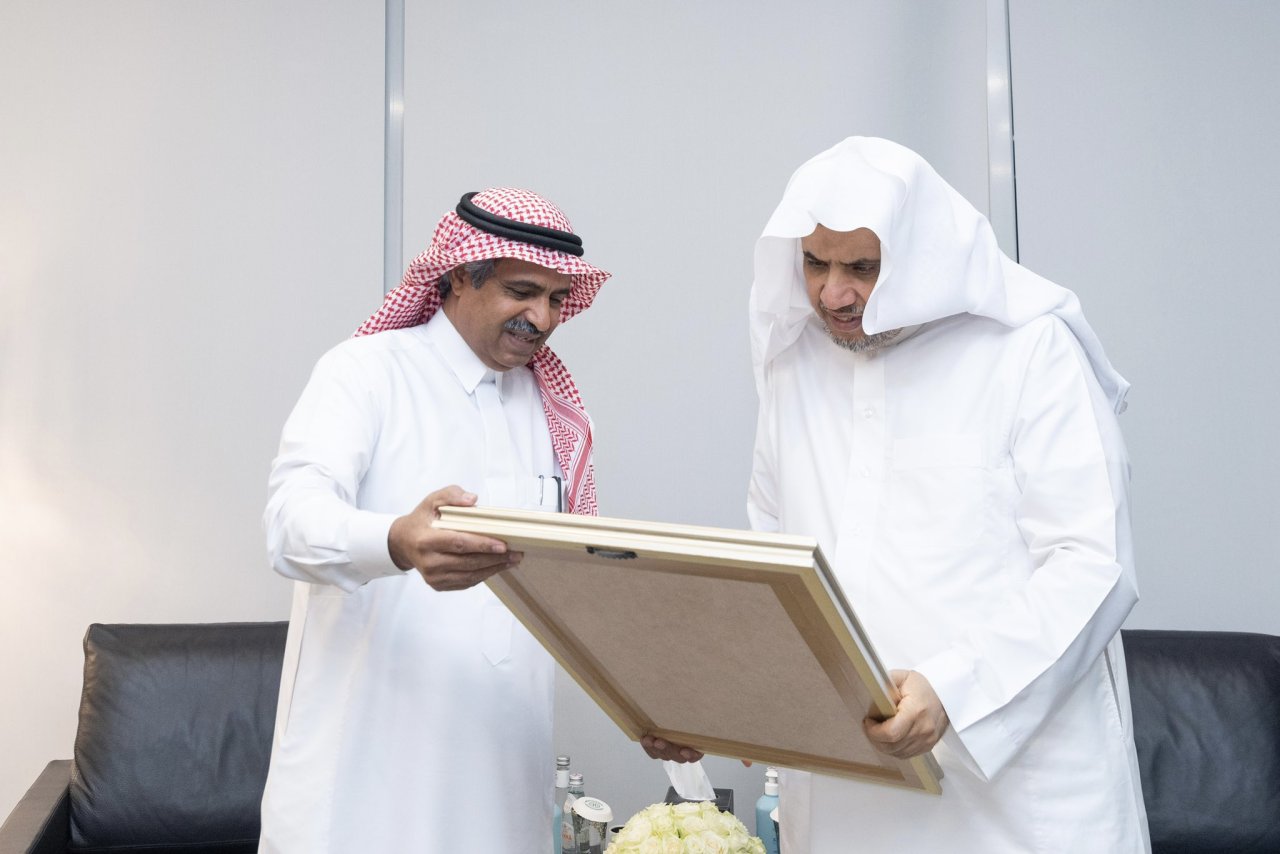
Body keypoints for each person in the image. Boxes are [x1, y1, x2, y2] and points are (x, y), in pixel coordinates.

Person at [257, 188, 697, 853]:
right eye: (522, 291)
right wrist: (395, 541)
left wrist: (647, 703)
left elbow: (572, 589)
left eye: (557, 299)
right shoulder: (366, 372)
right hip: (367, 781)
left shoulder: (551, 408)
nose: (542, 318)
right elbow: (290, 524)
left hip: (501, 782)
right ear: (461, 275)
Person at [746, 138, 1150, 852]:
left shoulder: (1030, 350)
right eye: (814, 263)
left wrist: (954, 690)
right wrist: (743, 689)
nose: (832, 294)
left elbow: (1093, 565)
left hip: (1019, 797)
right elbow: (774, 551)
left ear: (921, 258)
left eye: (862, 268)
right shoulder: (795, 363)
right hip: (849, 793)